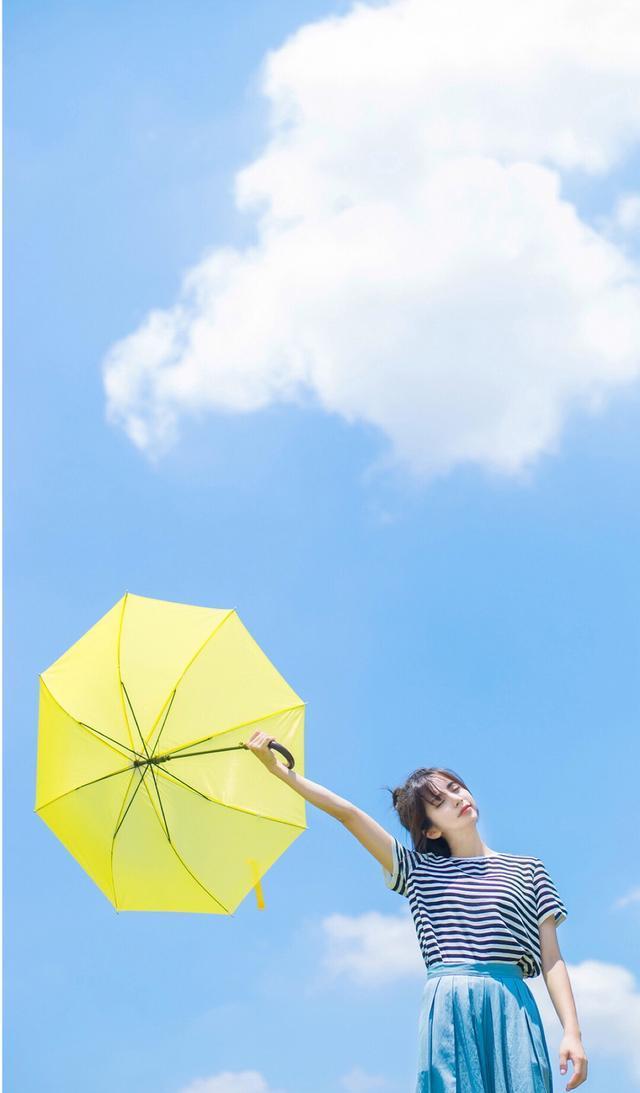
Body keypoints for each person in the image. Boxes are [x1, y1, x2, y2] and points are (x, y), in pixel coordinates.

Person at [244, 731, 588, 1092]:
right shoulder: (416, 870)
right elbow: (347, 814)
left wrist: (572, 1033)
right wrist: (278, 771)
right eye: (440, 801)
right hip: (450, 1005)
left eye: (456, 788)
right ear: (432, 829)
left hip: (512, 1004)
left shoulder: (528, 869)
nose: (457, 798)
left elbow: (552, 959)